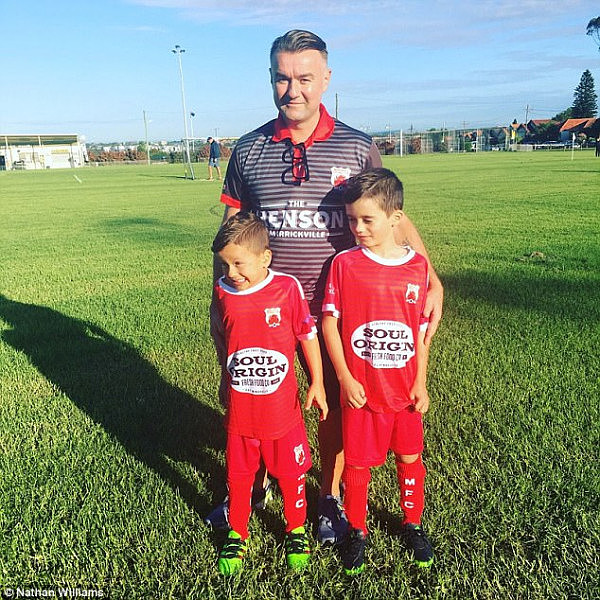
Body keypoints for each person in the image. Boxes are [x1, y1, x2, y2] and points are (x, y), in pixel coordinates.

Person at [207, 29, 444, 546]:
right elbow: (229, 235)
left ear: (327, 80)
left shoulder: (357, 147)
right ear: (271, 79)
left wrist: (430, 273)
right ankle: (258, 484)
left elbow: (392, 218)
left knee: (334, 407)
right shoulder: (247, 152)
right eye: (282, 77)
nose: (293, 90)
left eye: (305, 78)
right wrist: (221, 305)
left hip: (341, 312)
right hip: (263, 308)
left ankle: (327, 496)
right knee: (255, 395)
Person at [322, 168, 434, 575]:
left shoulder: (417, 269)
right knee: (357, 465)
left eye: (367, 219)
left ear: (395, 218)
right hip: (362, 392)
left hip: (403, 392)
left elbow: (420, 332)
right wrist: (346, 378)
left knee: (410, 456)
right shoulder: (344, 264)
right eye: (352, 219)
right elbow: (329, 324)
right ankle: (357, 530)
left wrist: (421, 381)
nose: (357, 228)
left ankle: (412, 523)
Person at [211, 212, 328, 575]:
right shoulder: (223, 290)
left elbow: (308, 336)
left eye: (239, 263)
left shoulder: (286, 289)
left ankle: (295, 529)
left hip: (282, 411)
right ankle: (237, 532)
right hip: (241, 412)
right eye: (226, 264)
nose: (232, 273)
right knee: (239, 474)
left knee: (290, 472)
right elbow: (221, 336)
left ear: (265, 258)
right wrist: (223, 376)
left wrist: (318, 382)